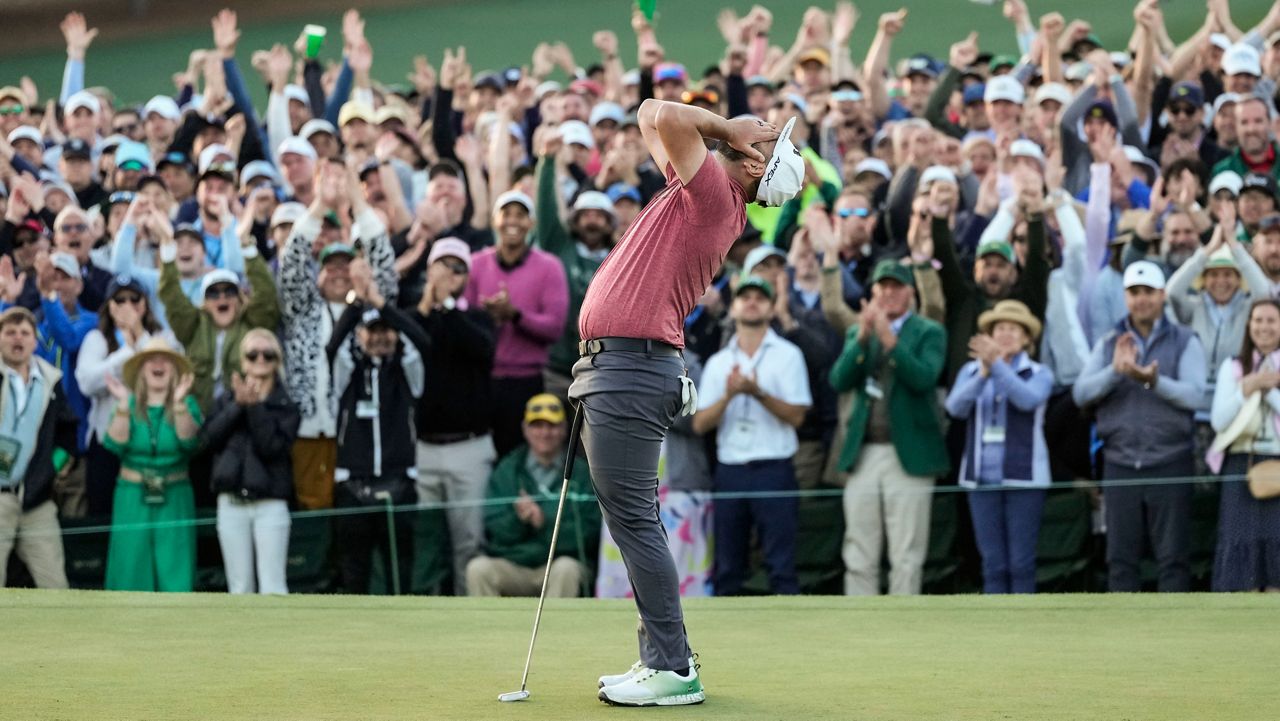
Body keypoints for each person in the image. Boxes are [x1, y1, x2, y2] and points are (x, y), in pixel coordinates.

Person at [579, 97, 794, 707]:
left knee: (635, 521)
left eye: (767, 142)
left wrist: (728, 127)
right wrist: (729, 132)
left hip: (632, 366)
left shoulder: (716, 201)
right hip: (622, 365)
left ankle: (672, 667)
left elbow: (672, 119)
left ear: (755, 169)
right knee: (633, 519)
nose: (760, 134)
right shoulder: (696, 189)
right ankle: (661, 659)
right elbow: (651, 113)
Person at [1073, 260, 1205, 592]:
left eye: (1148, 292)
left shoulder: (1185, 339)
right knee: (1120, 560)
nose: (1141, 299)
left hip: (1170, 461)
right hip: (1120, 463)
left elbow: (1194, 396)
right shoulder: (1109, 343)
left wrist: (1154, 381)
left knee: (1173, 559)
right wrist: (1115, 372)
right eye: (1134, 293)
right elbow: (1080, 393)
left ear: (1162, 295)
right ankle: (1124, 639)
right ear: (1125, 297)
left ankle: (1174, 636)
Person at [830, 260, 949, 596]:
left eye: (896, 286)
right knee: (859, 547)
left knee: (907, 550)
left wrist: (889, 341)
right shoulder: (859, 331)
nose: (888, 293)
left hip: (908, 452)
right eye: (882, 287)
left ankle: (904, 623)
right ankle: (860, 623)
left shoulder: (929, 331)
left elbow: (925, 378)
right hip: (864, 451)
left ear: (910, 292)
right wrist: (865, 337)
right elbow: (839, 380)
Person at [692, 275, 811, 595]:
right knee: (728, 568)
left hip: (774, 468)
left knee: (781, 567)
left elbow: (797, 416)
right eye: (745, 297)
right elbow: (700, 423)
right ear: (733, 309)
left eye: (761, 297)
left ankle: (792, 637)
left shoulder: (789, 355)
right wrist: (730, 395)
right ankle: (726, 640)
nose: (753, 301)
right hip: (731, 470)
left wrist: (757, 393)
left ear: (772, 308)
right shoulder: (718, 363)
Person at [328, 258, 430, 595]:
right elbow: (332, 347)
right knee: (353, 570)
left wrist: (383, 305)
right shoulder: (348, 372)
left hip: (399, 481)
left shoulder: (407, 371)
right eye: (373, 331)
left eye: (386, 330)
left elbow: (423, 342)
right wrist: (359, 301)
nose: (380, 338)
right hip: (352, 484)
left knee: (400, 570)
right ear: (361, 334)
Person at [945, 300, 1054, 594]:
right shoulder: (971, 371)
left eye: (1013, 329)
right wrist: (983, 373)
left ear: (1027, 338)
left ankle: (1023, 629)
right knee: (992, 563)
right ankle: (997, 629)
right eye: (1000, 328)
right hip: (981, 480)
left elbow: (1028, 400)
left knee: (1021, 563)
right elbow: (955, 407)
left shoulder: (1039, 372)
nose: (1006, 334)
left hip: (1025, 480)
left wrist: (998, 369)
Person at [464, 190, 569, 456]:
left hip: (527, 381)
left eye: (521, 215)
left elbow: (554, 326)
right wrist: (486, 316)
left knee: (521, 456)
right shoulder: (476, 264)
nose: (513, 221)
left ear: (530, 224)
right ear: (494, 221)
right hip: (481, 381)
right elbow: (463, 318)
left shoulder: (549, 267)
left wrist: (516, 315)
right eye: (506, 214)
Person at [465, 394, 600, 597]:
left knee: (567, 569)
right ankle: (491, 630)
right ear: (525, 429)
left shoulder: (582, 473)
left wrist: (543, 522)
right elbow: (494, 529)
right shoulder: (507, 469)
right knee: (478, 569)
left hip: (557, 564)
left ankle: (555, 630)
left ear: (565, 429)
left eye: (552, 426)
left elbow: (589, 534)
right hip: (513, 565)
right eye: (537, 425)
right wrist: (518, 519)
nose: (545, 433)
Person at [199, 329, 300, 595]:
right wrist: (238, 406)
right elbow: (208, 440)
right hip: (231, 503)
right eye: (253, 354)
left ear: (277, 361)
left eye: (268, 354)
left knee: (273, 587)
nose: (260, 360)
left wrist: (254, 407)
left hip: (271, 504)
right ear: (242, 361)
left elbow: (272, 448)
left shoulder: (286, 405)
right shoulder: (225, 400)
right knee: (239, 587)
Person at [101, 337, 201, 592]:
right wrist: (123, 403)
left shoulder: (187, 403)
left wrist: (178, 403)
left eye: (165, 359)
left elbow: (190, 442)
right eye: (151, 360)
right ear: (142, 370)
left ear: (175, 370)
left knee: (175, 569)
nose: (158, 364)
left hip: (174, 496)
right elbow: (114, 443)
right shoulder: (129, 403)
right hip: (132, 496)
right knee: (130, 567)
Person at [74, 275, 172, 518]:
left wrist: (138, 335)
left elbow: (167, 374)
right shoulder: (96, 338)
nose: (128, 306)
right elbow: (87, 382)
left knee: (149, 513)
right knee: (104, 514)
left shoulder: (162, 337)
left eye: (134, 298)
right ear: (109, 305)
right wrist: (126, 353)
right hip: (106, 442)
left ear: (145, 303)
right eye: (120, 299)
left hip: (151, 440)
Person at [0, 306, 78, 589]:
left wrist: (50, 468)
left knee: (55, 586)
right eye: (10, 332)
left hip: (37, 500)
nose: (17, 339)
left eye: (24, 333)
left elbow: (68, 435)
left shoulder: (51, 380)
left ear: (35, 340)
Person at [1207, 299, 1280, 592]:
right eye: (1258, 320)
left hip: (1276, 461)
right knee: (1240, 546)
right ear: (1248, 325)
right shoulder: (1233, 367)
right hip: (1240, 462)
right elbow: (1218, 421)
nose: (1264, 327)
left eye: (1271, 321)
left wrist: (1268, 388)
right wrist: (1245, 389)